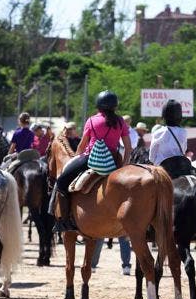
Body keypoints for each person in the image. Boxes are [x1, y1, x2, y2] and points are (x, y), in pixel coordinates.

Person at [54, 91, 131, 232]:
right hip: (113, 161)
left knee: (61, 182)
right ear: (115, 106)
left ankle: (64, 221)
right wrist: (124, 165)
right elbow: (128, 147)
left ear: (98, 106)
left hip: (91, 159)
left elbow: (82, 146)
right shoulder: (120, 121)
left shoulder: (91, 120)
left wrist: (76, 158)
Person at [149, 100, 187, 165]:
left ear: (164, 116)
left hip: (162, 167)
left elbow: (152, 157)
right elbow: (184, 150)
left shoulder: (158, 132)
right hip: (179, 165)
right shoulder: (183, 132)